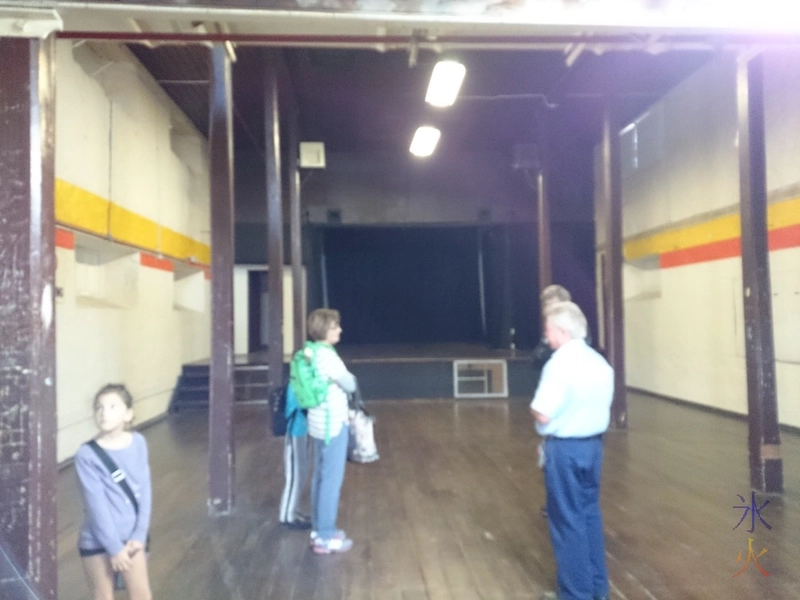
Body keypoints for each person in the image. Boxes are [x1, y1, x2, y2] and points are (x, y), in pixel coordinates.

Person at [530, 302, 613, 600]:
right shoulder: (600, 362)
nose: (547, 337)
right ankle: (596, 587)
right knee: (589, 514)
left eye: (549, 331)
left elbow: (542, 413)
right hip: (594, 448)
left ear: (563, 332)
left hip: (565, 451)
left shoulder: (559, 364)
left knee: (566, 521)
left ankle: (575, 593)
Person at [75, 384, 153, 600]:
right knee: (103, 596)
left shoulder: (138, 442)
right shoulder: (86, 454)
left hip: (132, 540)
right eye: (98, 408)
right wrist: (114, 548)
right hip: (98, 540)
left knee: (141, 594)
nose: (104, 413)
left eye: (112, 406)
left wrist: (140, 534)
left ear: (128, 414)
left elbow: (144, 491)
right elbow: (96, 505)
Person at [306, 308, 357, 554]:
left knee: (320, 476)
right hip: (333, 425)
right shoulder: (328, 356)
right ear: (325, 329)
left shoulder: (310, 352)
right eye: (335, 326)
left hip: (317, 423)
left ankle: (319, 529)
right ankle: (326, 536)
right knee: (331, 480)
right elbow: (349, 383)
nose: (340, 329)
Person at [279, 383, 312, 529]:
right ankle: (287, 516)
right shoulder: (296, 383)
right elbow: (303, 406)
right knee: (294, 477)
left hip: (304, 432)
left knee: (302, 473)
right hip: (295, 433)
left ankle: (294, 510)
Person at [532, 284, 572, 368]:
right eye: (547, 305)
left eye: (554, 305)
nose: (550, 309)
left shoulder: (577, 325)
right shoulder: (550, 328)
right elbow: (536, 361)